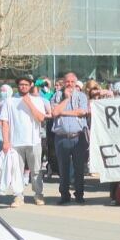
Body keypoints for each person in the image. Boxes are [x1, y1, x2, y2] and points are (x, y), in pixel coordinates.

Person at [0, 76, 50, 207]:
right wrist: (6, 141)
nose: (23, 87)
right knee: (16, 170)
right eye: (21, 84)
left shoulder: (37, 100)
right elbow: (5, 122)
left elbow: (40, 118)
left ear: (30, 85)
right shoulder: (9, 101)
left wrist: (29, 103)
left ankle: (38, 194)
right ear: (17, 86)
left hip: (34, 141)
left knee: (36, 170)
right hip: (15, 141)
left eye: (26, 84)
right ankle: (18, 196)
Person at [51, 72, 90, 204]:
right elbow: (54, 112)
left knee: (79, 168)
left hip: (78, 137)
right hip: (61, 137)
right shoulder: (57, 96)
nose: (70, 84)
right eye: (67, 81)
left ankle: (79, 195)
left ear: (76, 82)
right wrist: (66, 99)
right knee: (63, 168)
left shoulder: (82, 96)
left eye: (73, 82)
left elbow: (82, 112)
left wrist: (63, 112)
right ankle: (64, 195)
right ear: (63, 82)